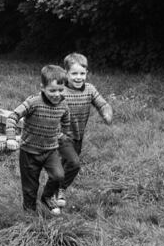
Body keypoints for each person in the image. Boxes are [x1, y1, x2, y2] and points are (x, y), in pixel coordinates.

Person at [42, 53, 113, 210]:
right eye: (74, 73)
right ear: (66, 73)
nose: (78, 77)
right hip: (61, 137)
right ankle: (57, 191)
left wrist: (106, 113)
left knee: (63, 167)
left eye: (82, 73)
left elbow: (102, 104)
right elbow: (46, 105)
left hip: (78, 137)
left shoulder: (89, 89)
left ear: (87, 73)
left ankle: (53, 194)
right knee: (73, 164)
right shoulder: (61, 91)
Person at [6, 65, 71, 215]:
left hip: (50, 150)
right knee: (30, 187)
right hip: (29, 152)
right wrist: (10, 137)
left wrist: (63, 135)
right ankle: (29, 215)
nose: (57, 94)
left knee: (59, 175)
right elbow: (12, 117)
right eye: (52, 90)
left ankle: (47, 196)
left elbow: (66, 120)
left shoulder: (63, 104)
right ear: (42, 87)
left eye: (61, 90)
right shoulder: (33, 102)